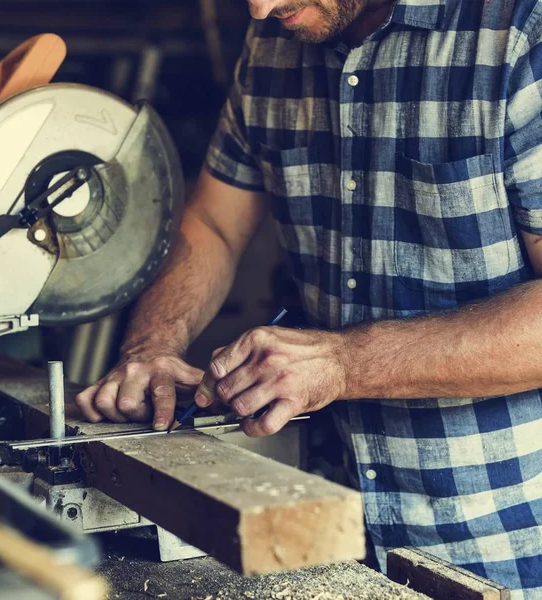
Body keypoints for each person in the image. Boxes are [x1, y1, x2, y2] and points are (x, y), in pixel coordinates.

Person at [76, 0, 542, 595]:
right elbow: (213, 223)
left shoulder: (517, 35)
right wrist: (152, 347)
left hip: (503, 543)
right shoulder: (271, 41)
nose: (260, 7)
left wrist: (344, 363)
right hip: (322, 526)